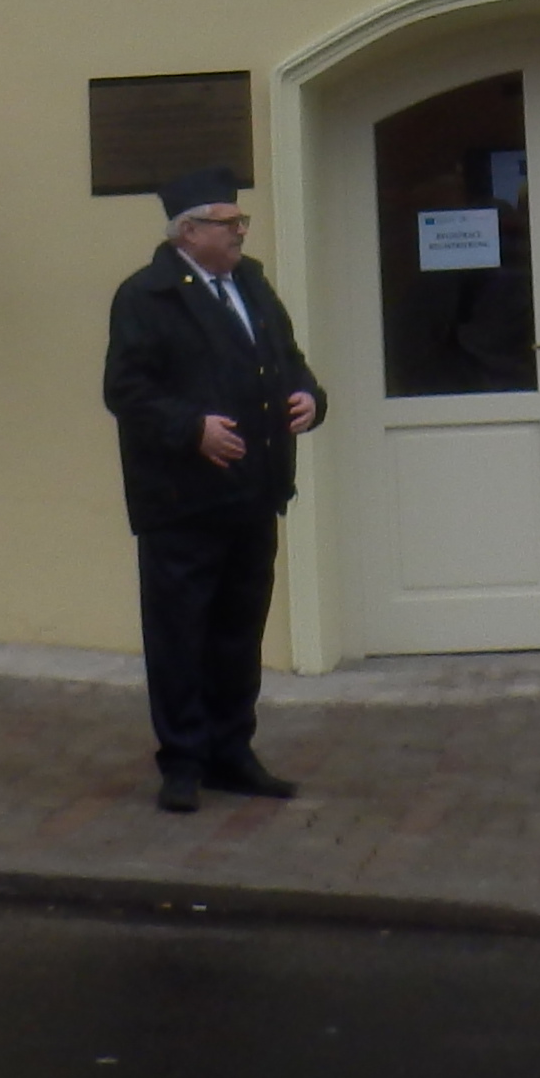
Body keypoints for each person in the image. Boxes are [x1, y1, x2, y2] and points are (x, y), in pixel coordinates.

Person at [100, 166, 322, 811]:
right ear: (188, 232)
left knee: (238, 631)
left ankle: (232, 751)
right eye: (228, 223)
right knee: (180, 634)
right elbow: (126, 390)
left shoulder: (251, 283)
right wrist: (192, 429)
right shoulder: (146, 295)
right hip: (182, 500)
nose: (240, 232)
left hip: (253, 492)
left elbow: (286, 357)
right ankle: (183, 759)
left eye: (240, 220)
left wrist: (310, 395)